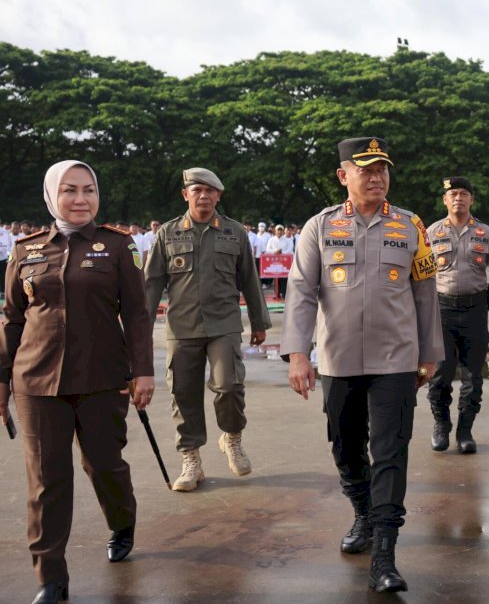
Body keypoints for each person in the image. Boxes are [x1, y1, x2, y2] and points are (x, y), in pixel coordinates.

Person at [279, 137, 440, 593]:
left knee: (391, 451)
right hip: (339, 356)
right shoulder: (320, 226)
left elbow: (425, 292)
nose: (376, 177)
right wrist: (297, 354)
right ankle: (363, 514)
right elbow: (301, 290)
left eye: (382, 169)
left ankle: (385, 554)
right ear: (343, 176)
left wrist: (429, 354)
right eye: (365, 170)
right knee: (345, 445)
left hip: (396, 358)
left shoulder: (410, 225)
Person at [1, 161, 155, 604]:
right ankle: (51, 577)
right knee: (46, 480)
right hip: (36, 381)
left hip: (102, 378)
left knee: (103, 465)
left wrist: (142, 370)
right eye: (69, 190)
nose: (81, 199)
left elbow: (137, 314)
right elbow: (12, 318)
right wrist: (2, 380)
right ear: (52, 195)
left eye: (89, 190)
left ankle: (122, 522)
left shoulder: (119, 246)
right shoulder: (25, 250)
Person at [143, 168, 270, 491]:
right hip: (182, 326)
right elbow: (152, 283)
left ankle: (232, 437)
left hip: (223, 324)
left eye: (210, 191)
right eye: (197, 190)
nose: (203, 196)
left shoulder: (234, 232)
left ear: (218, 196)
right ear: (185, 195)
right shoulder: (167, 233)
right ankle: (191, 459)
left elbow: (250, 280)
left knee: (229, 385)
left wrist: (259, 322)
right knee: (182, 393)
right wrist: (140, 330)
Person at [426, 176, 489, 454]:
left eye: (463, 194)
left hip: (475, 311)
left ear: (472, 199)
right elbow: (418, 274)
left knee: (473, 375)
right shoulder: (431, 233)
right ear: (445, 200)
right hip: (441, 311)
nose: (458, 198)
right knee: (440, 374)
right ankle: (441, 424)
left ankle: (465, 430)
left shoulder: (487, 233)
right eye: (453, 194)